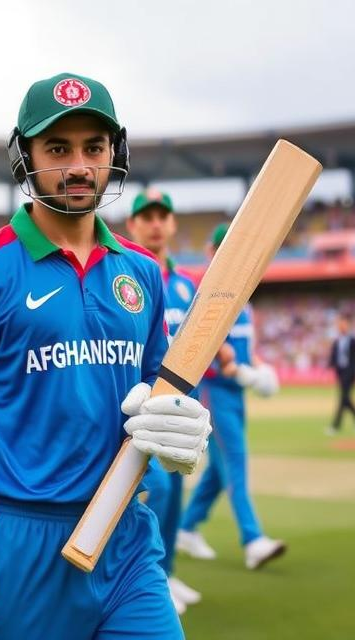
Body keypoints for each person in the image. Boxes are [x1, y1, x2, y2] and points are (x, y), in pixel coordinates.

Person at [0, 72, 212, 640]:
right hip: (18, 543)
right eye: (58, 149)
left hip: (126, 535)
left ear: (115, 153)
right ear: (26, 156)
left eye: (94, 148)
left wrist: (180, 430)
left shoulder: (141, 271)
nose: (78, 167)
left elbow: (159, 387)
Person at [177, 223, 286, 570]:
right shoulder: (209, 295)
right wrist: (242, 373)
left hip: (236, 393)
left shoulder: (245, 302)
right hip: (215, 392)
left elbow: (247, 352)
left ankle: (185, 528)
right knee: (235, 461)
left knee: (218, 471)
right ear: (211, 252)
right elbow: (204, 353)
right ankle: (253, 540)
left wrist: (259, 370)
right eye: (225, 249)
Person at [125, 188, 202, 615]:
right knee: (149, 492)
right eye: (146, 216)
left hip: (177, 403)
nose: (155, 223)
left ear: (172, 223)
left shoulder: (187, 285)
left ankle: (167, 572)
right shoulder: (127, 271)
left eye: (162, 216)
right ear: (133, 224)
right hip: (136, 403)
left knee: (173, 488)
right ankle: (149, 574)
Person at [327, 312, 355, 435]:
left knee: (343, 398)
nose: (341, 326)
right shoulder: (337, 340)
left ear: (348, 325)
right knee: (345, 399)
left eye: (344, 324)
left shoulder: (353, 340)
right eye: (340, 324)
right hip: (340, 371)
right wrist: (330, 366)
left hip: (350, 372)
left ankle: (336, 426)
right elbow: (334, 356)